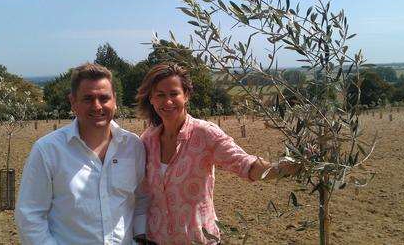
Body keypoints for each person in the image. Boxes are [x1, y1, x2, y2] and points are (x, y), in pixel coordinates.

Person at [136, 64, 300, 245]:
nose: (167, 101)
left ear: (186, 96)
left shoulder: (205, 134)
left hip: (198, 240)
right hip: (155, 238)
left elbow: (245, 164)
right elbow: (143, 192)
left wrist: (285, 168)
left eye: (174, 94)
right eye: (160, 95)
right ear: (151, 99)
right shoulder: (147, 140)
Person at [15, 63, 147, 244]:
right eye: (88, 99)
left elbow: (142, 200)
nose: (97, 106)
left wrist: (139, 239)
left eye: (104, 98)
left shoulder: (133, 146)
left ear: (115, 100)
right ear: (73, 102)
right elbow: (30, 216)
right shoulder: (47, 150)